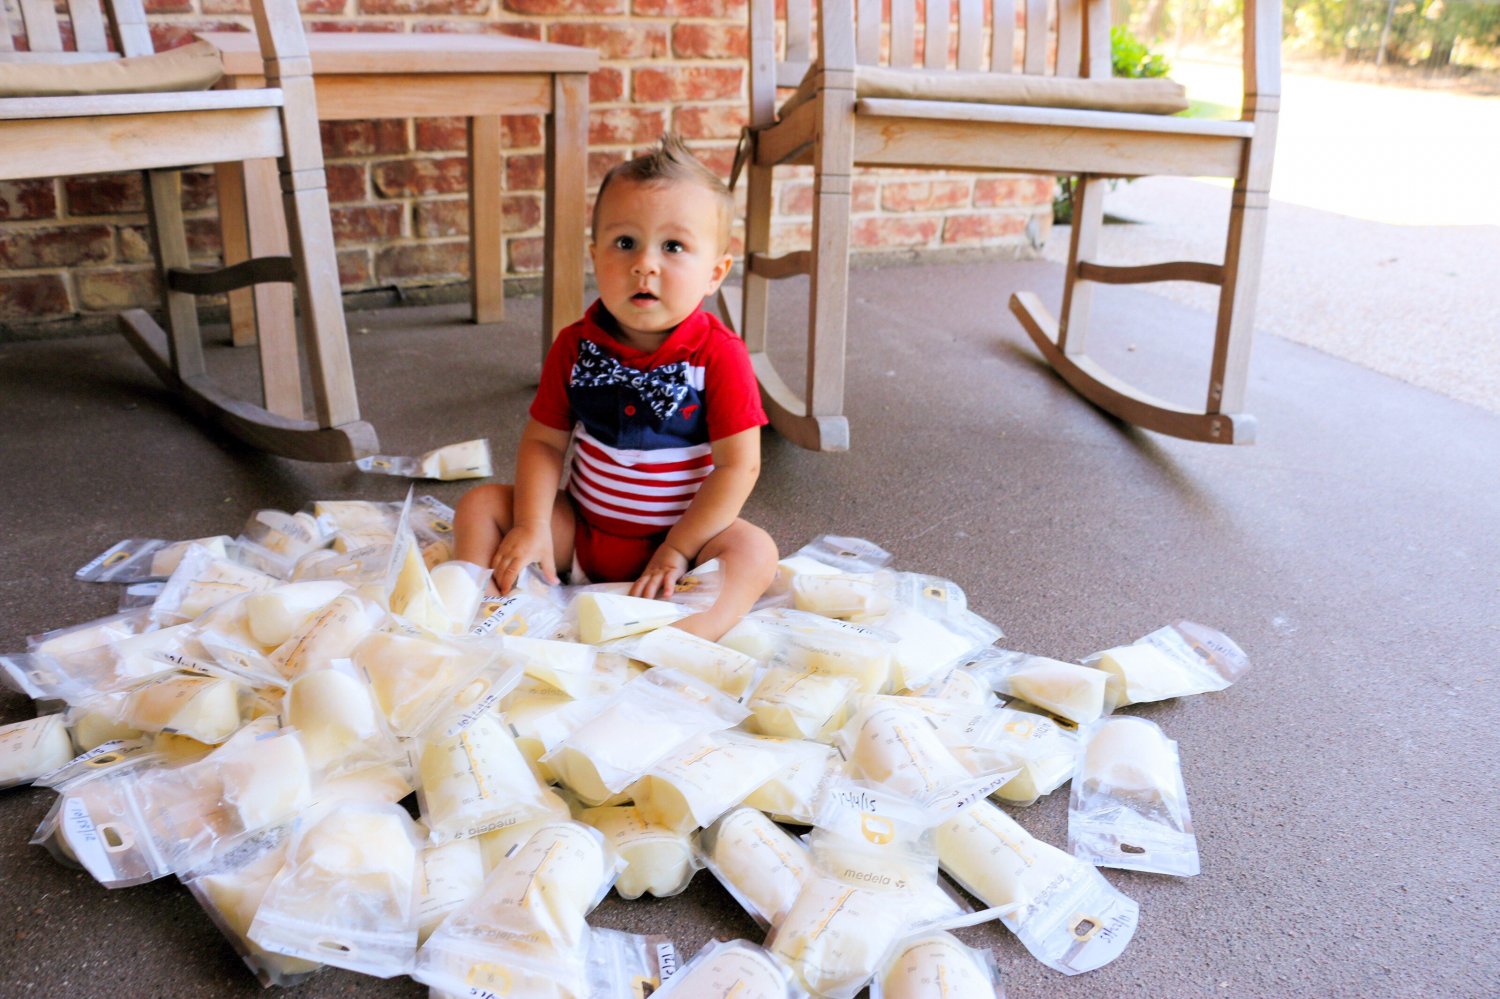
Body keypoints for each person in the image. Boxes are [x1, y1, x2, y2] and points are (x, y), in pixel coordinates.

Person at [453, 134, 779, 641]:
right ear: (595, 255)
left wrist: (679, 547)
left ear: (715, 273)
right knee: (481, 506)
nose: (644, 263)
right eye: (625, 242)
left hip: (678, 550)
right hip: (581, 533)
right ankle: (482, 609)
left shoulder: (719, 355)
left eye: (673, 247)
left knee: (755, 551)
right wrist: (533, 524)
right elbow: (544, 442)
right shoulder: (576, 346)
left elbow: (740, 465)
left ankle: (679, 637)